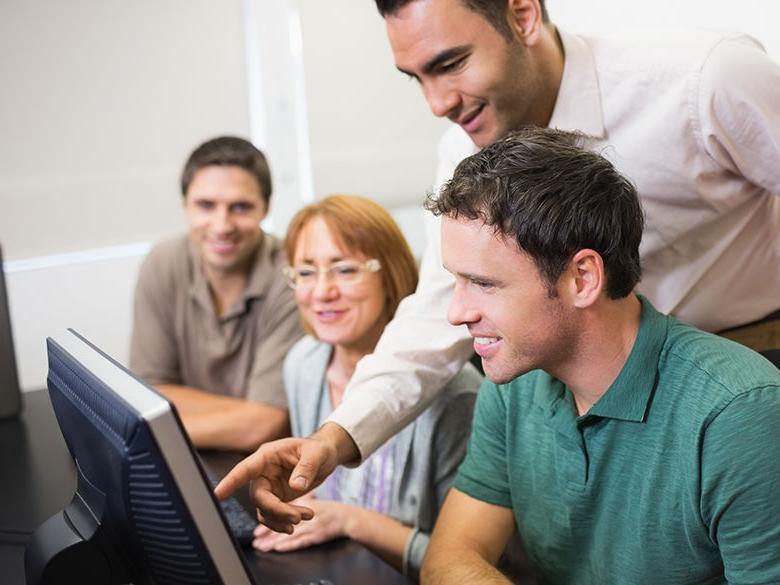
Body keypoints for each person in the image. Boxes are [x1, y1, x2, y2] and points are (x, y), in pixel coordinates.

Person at [216, 0, 780, 528]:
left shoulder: (704, 79)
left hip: (755, 369)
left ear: (523, 14)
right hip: (596, 397)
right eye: (417, 78)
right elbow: (433, 317)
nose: (437, 103)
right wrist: (333, 440)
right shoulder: (464, 152)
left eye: (451, 63)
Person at [419, 127, 780, 584]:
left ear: (583, 278)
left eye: (485, 284)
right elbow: (448, 559)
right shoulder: (513, 384)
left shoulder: (740, 413)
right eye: (457, 280)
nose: (457, 312)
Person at [251, 195, 480, 579]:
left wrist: (348, 521)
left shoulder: (456, 395)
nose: (322, 292)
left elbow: (473, 566)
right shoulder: (304, 364)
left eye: (343, 270)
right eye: (305, 273)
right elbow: (318, 496)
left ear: (389, 274)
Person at [129, 136, 303, 452]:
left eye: (240, 207)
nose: (222, 226)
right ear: (185, 206)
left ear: (266, 208)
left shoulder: (296, 274)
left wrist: (145, 432)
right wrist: (248, 413)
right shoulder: (163, 262)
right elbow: (147, 392)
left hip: (272, 466)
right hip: (190, 459)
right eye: (206, 205)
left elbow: (263, 427)